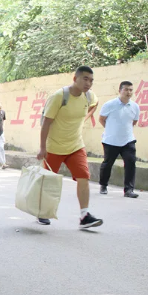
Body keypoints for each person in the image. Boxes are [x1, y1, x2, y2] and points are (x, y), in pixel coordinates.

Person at [36, 65, 103, 228]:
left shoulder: (89, 96)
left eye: (91, 80)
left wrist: (86, 117)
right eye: (85, 79)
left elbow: (95, 103)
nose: (88, 83)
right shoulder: (59, 97)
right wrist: (42, 148)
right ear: (75, 78)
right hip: (54, 147)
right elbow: (46, 123)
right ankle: (42, 211)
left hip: (76, 145)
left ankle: (84, 215)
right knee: (48, 181)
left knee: (83, 177)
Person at [98, 81, 140, 198]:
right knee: (107, 164)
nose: (128, 92)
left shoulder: (135, 106)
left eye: (130, 90)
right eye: (126, 89)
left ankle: (129, 190)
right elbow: (101, 119)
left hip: (128, 140)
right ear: (120, 90)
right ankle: (103, 185)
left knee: (131, 163)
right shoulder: (109, 105)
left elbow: (134, 122)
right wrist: (111, 130)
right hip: (111, 141)